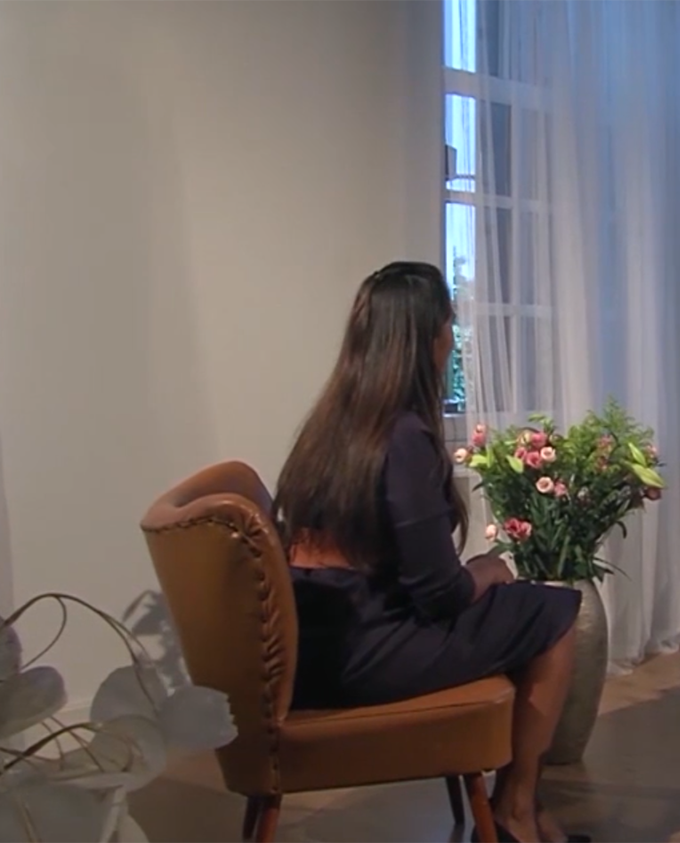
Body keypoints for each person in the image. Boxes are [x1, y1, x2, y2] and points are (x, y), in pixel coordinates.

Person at [273, 261, 586, 843]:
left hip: (312, 649)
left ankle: (522, 804)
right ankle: (516, 809)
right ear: (427, 340)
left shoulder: (329, 426)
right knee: (553, 611)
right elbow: (438, 593)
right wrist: (486, 571)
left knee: (519, 610)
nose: (452, 337)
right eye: (449, 324)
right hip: (361, 653)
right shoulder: (403, 436)